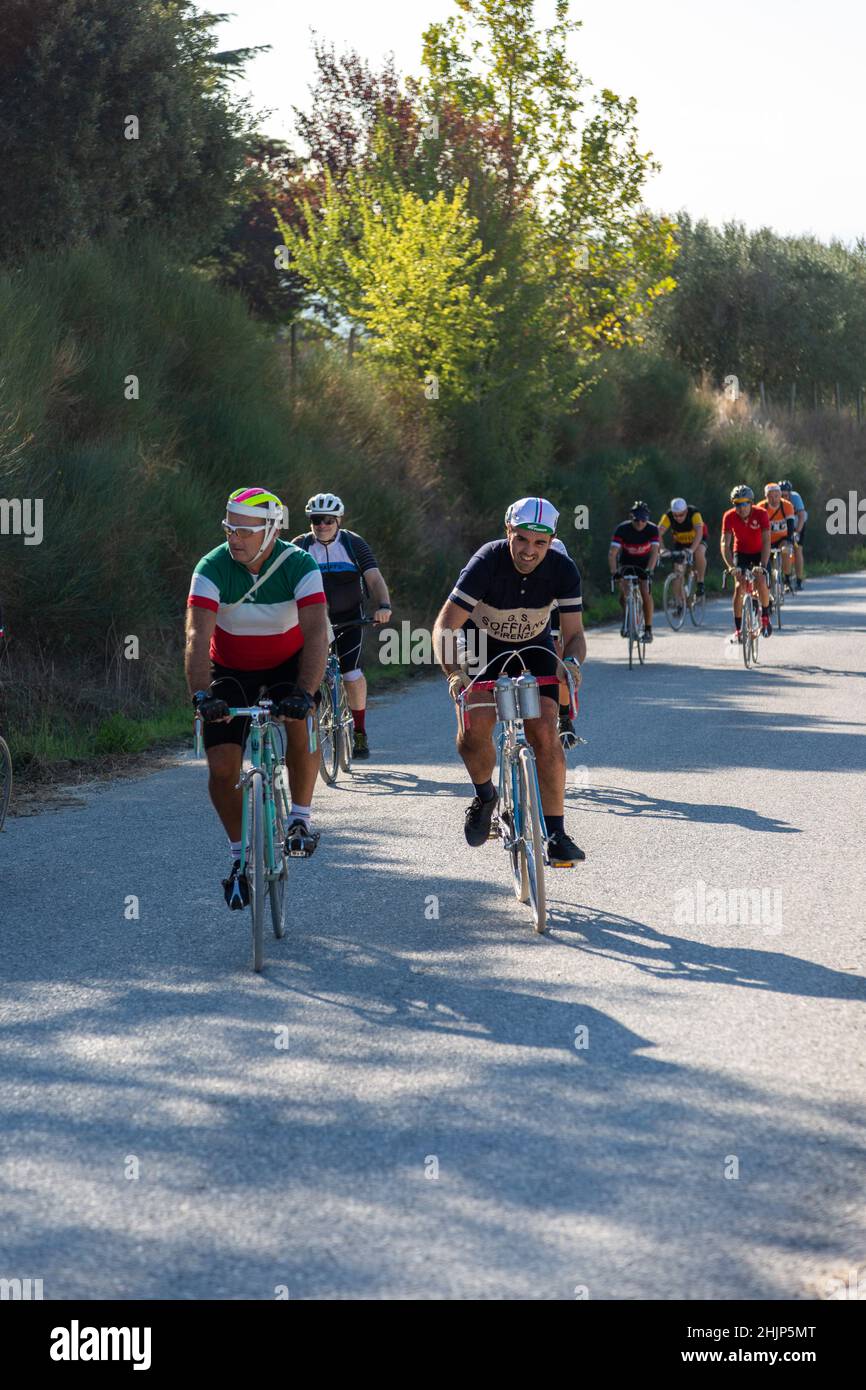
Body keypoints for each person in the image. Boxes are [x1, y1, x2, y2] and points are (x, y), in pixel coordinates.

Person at [186, 487, 329, 907]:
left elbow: (317, 632)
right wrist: (200, 694)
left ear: (271, 531)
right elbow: (197, 637)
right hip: (230, 669)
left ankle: (300, 819)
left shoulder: (299, 564)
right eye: (231, 529)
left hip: (287, 664)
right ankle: (238, 856)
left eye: (246, 531)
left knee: (301, 722)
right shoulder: (211, 568)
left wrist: (304, 692)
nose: (235, 539)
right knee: (221, 766)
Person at [433, 497, 587, 865]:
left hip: (535, 647)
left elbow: (575, 634)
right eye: (521, 539)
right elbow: (445, 626)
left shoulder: (563, 570)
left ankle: (555, 833)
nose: (529, 551)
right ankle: (486, 797)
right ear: (508, 532)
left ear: (552, 541)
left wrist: (571, 662)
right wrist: (455, 673)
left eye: (540, 543)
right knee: (476, 728)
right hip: (483, 646)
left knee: (546, 730)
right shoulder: (486, 561)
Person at [292, 493, 392, 760]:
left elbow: (373, 577)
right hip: (314, 621)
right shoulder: (300, 546)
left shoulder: (352, 543)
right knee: (309, 676)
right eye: (316, 520)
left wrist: (383, 605)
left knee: (350, 673)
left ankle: (359, 732)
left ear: (338, 520)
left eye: (327, 520)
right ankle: (310, 730)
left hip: (350, 616)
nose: (322, 525)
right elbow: (284, 583)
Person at [721, 485, 772, 640]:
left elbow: (766, 541)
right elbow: (725, 543)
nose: (741, 508)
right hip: (741, 553)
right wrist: (731, 567)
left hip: (759, 552)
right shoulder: (729, 516)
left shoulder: (761, 514)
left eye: (744, 504)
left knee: (761, 581)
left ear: (751, 502)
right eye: (737, 504)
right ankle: (738, 630)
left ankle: (765, 618)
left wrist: (762, 565)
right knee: (739, 587)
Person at [609, 501, 660, 641]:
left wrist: (650, 570)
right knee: (623, 595)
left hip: (645, 564)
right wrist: (614, 572)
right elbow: (612, 553)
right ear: (631, 517)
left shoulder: (652, 529)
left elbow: (655, 552)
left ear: (647, 519)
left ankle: (648, 629)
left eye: (644, 519)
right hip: (627, 562)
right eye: (637, 519)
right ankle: (627, 620)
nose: (640, 523)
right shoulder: (622, 529)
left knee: (645, 592)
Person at [657, 497, 707, 594]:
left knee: (699, 552)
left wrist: (691, 550)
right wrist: (662, 549)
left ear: (686, 511)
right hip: (680, 543)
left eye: (681, 515)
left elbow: (699, 533)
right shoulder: (668, 515)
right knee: (678, 572)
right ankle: (679, 604)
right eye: (675, 515)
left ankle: (700, 582)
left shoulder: (694, 513)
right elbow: (658, 532)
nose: (678, 518)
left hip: (697, 539)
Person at [755, 482, 795, 591]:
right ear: (766, 496)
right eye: (770, 496)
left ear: (780, 495)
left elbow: (791, 525)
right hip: (766, 540)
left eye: (776, 496)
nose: (774, 499)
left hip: (782, 538)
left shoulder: (787, 505)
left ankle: (787, 578)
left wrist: (789, 540)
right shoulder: (760, 507)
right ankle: (766, 582)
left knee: (785, 550)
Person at [779, 479, 808, 589]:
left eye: (785, 495)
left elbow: (801, 515)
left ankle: (799, 580)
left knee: (797, 549)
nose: (783, 498)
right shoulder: (775, 499)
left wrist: (797, 532)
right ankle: (784, 577)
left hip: (797, 522)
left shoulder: (795, 497)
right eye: (781, 495)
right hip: (784, 524)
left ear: (790, 493)